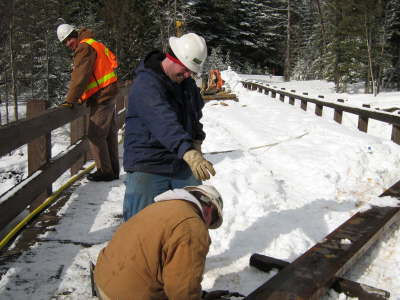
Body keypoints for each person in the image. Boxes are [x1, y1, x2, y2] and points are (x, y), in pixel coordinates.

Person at [123, 32, 216, 221]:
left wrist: (196, 141)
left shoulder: (187, 84)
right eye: (186, 69)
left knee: (191, 219)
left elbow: (194, 115)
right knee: (140, 226)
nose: (189, 74)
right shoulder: (146, 85)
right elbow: (163, 122)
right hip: (148, 162)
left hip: (179, 161)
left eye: (192, 71)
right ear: (172, 59)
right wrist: (188, 152)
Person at [94, 185, 229, 300]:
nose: (207, 227)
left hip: (102, 279)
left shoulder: (161, 206)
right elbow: (182, 290)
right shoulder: (193, 226)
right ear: (209, 209)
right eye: (211, 222)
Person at [56, 23, 120, 182]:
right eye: (65, 42)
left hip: (102, 95)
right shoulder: (93, 43)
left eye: (69, 39)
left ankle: (105, 171)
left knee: (95, 135)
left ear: (75, 34)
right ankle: (112, 170)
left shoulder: (84, 48)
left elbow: (80, 76)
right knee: (109, 134)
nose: (68, 44)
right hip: (108, 92)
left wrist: (70, 100)